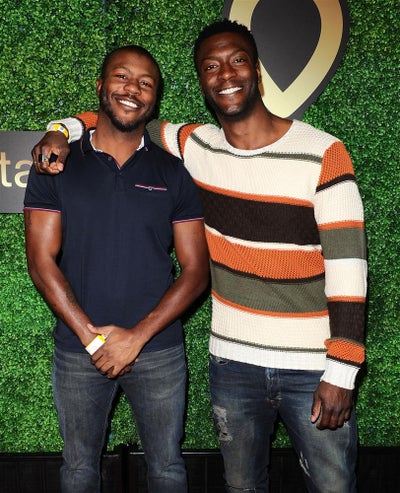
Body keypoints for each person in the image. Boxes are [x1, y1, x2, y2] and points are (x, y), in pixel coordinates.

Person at [32, 20, 367, 493]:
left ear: (257, 71)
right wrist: (60, 129)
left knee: (333, 486)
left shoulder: (323, 153)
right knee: (240, 487)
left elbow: (349, 270)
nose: (225, 74)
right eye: (211, 66)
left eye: (237, 61)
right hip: (233, 362)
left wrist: (343, 370)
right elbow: (120, 115)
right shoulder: (198, 145)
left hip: (312, 366)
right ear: (201, 80)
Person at [24, 44, 209, 493]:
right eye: (122, 77)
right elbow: (40, 261)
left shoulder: (174, 172)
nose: (132, 89)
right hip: (78, 349)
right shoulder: (56, 165)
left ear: (155, 99)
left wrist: (136, 337)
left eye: (145, 83)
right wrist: (92, 339)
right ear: (100, 86)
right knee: (78, 471)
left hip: (158, 349)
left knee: (167, 470)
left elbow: (196, 271)